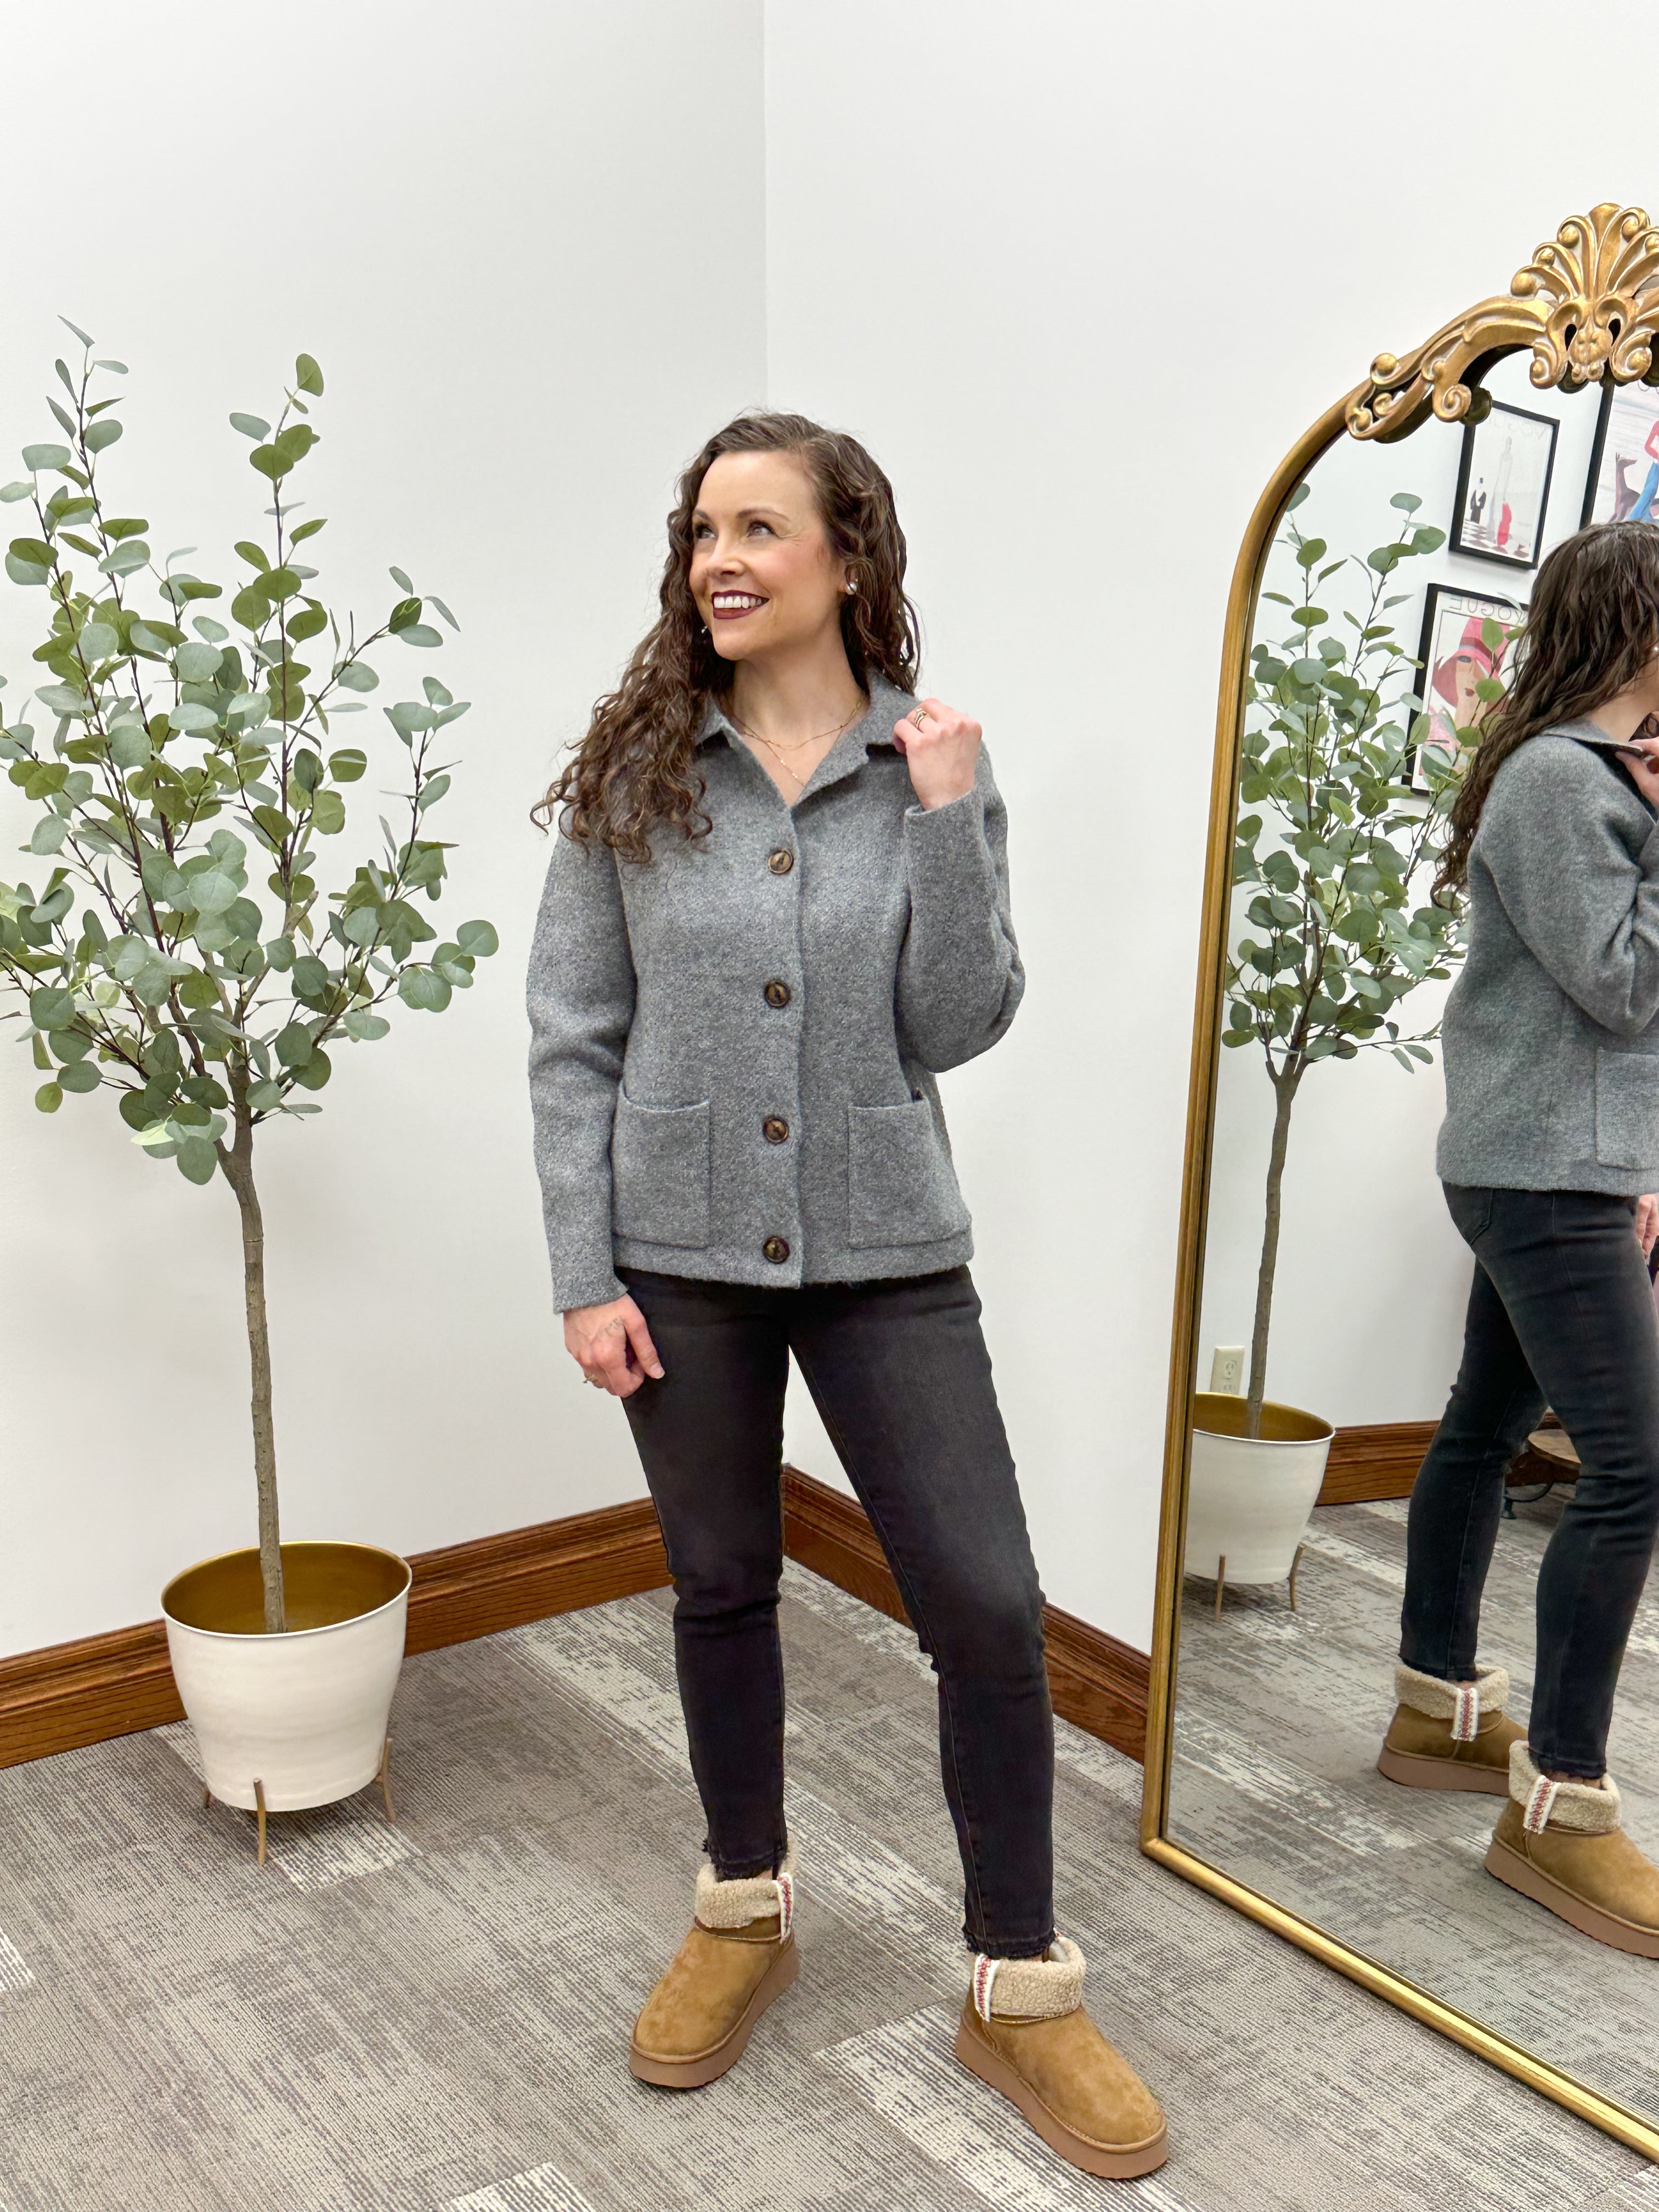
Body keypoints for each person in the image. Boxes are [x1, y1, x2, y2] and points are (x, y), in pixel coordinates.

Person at [526, 413, 1166, 2179]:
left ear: (849, 557)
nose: (717, 559)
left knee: (985, 1603)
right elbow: (573, 1040)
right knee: (721, 1587)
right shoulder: (635, 779)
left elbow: (956, 1020)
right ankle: (744, 1904)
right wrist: (589, 1271)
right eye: (699, 532)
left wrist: (953, 823)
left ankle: (1021, 1984)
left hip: (890, 1254)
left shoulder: (931, 766)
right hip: (681, 1257)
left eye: (757, 528)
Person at [1377, 521, 1659, 1958]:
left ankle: (1438, 1711)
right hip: (1545, 1175)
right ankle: (1561, 1802)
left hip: (1562, 1167)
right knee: (1636, 1466)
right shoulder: (1559, 780)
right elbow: (1619, 984)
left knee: (1485, 1426)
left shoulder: (1597, 777)